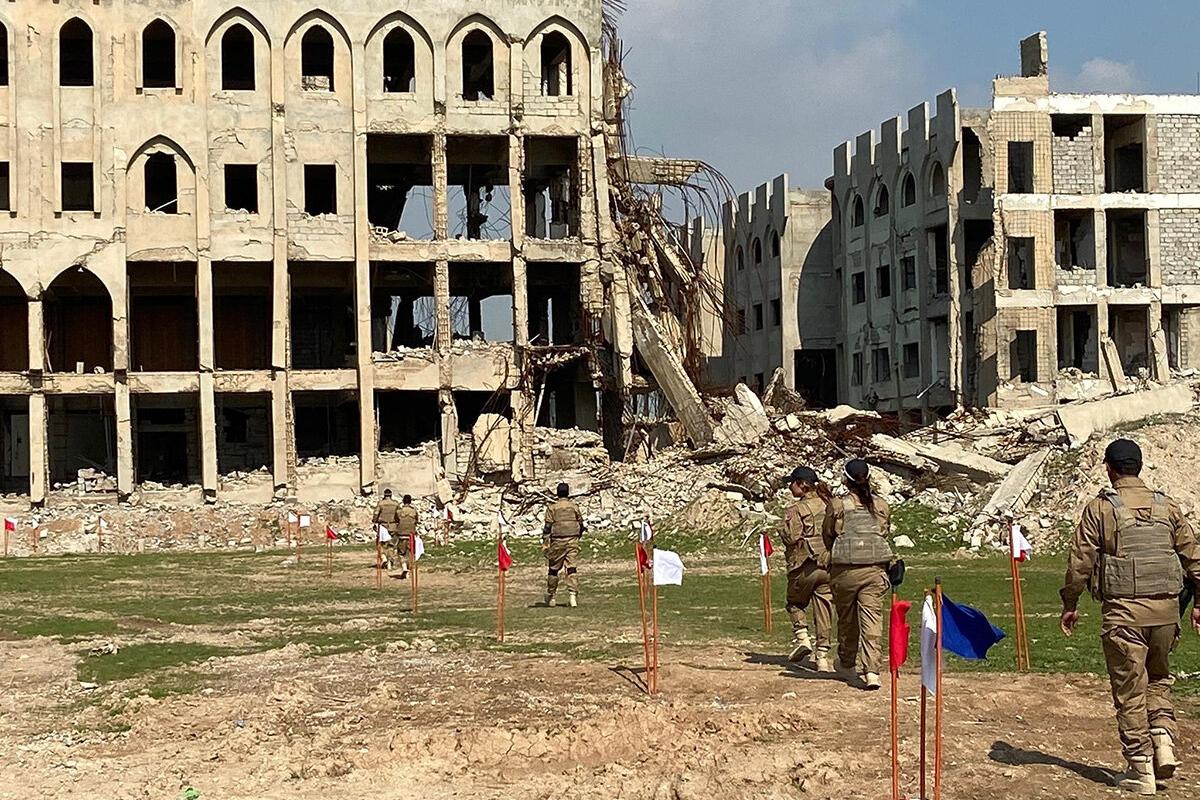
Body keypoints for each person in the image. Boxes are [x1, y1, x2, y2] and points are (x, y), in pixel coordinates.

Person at [1060, 438, 1200, 795]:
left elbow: (1080, 562)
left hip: (1123, 616)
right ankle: (1163, 741)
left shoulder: (1100, 509)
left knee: (1129, 691)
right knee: (1159, 680)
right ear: (1139, 466)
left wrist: (1070, 603)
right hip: (1167, 615)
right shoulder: (1166, 506)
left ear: (1109, 468)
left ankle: (1140, 768)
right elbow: (1194, 559)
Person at [822, 458, 893, 691]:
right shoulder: (881, 505)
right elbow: (884, 531)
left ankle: (847, 662)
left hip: (845, 571)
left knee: (847, 619)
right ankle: (872, 671)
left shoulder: (839, 505)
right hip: (875, 570)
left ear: (845, 479)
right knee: (873, 621)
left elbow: (828, 534)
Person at [780, 465, 834, 672]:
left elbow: (792, 537)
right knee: (824, 610)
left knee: (794, 603)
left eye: (791, 483)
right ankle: (822, 657)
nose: (789, 487)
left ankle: (802, 637)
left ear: (802, 485)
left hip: (803, 565)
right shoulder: (830, 504)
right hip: (827, 564)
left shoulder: (796, 509)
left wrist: (782, 531)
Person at [543, 482, 585, 608]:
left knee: (553, 569)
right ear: (568, 493)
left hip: (557, 541)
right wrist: (578, 536)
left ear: (557, 493)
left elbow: (547, 527)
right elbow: (581, 524)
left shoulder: (552, 508)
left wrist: (545, 543)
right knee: (571, 568)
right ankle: (572, 596)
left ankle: (552, 596)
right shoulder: (574, 507)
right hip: (572, 541)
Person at [373, 489, 400, 571]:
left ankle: (384, 557)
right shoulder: (396, 504)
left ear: (384, 495)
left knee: (381, 544)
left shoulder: (381, 503)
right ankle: (390, 562)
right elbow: (399, 514)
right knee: (391, 545)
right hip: (393, 525)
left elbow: (376, 513)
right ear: (391, 495)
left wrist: (374, 521)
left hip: (383, 526)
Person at [395, 494, 419, 580]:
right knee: (411, 553)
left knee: (401, 553)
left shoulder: (399, 511)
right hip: (411, 535)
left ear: (403, 501)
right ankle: (410, 569)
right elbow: (416, 521)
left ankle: (405, 568)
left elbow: (396, 520)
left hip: (402, 535)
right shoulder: (414, 511)